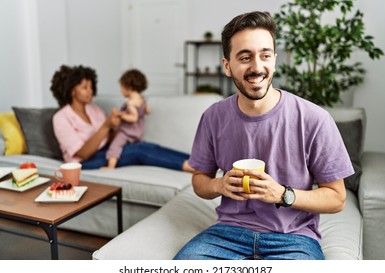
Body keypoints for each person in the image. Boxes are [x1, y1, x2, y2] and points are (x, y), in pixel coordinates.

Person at [173, 11, 354, 260]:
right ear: (227, 66)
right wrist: (219, 184)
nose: (257, 67)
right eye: (245, 57)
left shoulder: (315, 118)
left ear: (275, 60)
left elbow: (337, 198)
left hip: (294, 239)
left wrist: (282, 194)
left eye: (265, 55)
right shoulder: (213, 116)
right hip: (227, 234)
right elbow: (199, 180)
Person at [50, 64, 194, 172]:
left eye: (91, 86)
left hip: (107, 152)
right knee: (138, 151)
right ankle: (189, 166)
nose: (90, 91)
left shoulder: (96, 111)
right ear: (71, 90)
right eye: (84, 87)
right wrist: (106, 125)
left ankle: (197, 159)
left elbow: (111, 140)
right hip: (84, 163)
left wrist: (119, 125)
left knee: (147, 146)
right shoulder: (61, 118)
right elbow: (83, 153)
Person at [104, 69, 152, 169]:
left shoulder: (130, 103)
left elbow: (134, 118)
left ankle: (110, 166)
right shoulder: (142, 98)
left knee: (115, 146)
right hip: (139, 132)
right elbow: (148, 110)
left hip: (127, 132)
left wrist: (121, 115)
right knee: (137, 148)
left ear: (128, 87)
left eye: (121, 86)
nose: (121, 90)